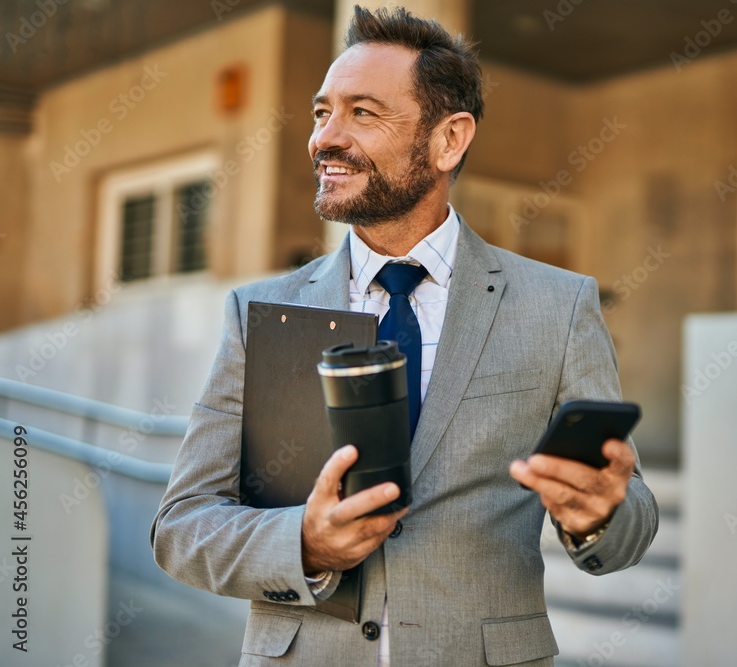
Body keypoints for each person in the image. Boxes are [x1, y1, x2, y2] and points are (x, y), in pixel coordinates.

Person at [151, 6, 658, 666]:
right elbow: (182, 525)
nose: (324, 139)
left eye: (362, 113)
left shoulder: (558, 307)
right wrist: (301, 542)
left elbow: (632, 525)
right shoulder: (261, 310)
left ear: (450, 139)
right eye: (320, 113)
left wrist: (598, 512)